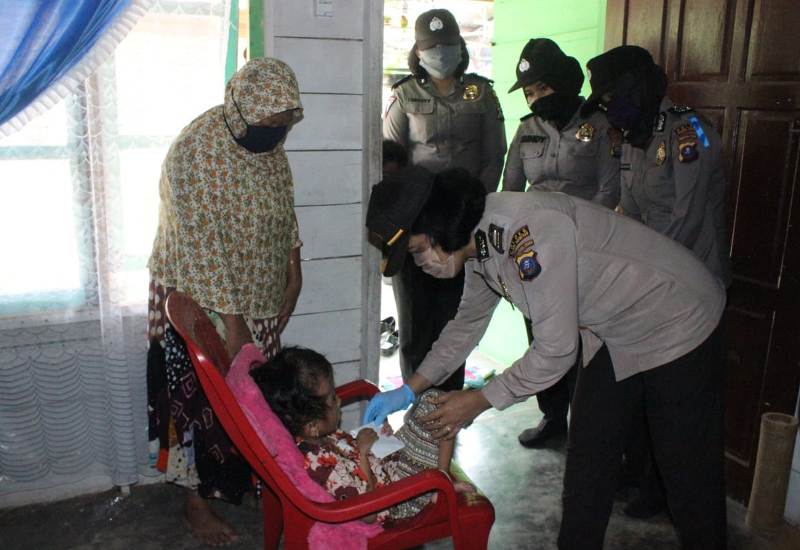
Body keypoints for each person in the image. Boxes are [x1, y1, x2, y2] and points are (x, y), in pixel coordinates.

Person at [363, 167, 727, 549]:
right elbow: (466, 324)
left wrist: (478, 401)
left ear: (441, 229)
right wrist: (410, 388)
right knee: (589, 458)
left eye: (419, 250)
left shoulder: (530, 232)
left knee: (687, 475)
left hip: (676, 317)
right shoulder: (476, 246)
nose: (420, 264)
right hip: (612, 331)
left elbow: (555, 350)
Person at [146, 58, 304, 546]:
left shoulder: (269, 146)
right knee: (205, 405)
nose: (274, 135)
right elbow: (201, 248)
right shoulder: (194, 152)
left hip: (255, 292)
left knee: (253, 399)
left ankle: (243, 478)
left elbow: (282, 206)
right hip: (198, 297)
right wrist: (233, 325)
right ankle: (197, 504)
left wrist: (293, 270)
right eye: (267, 125)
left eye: (283, 125)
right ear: (240, 110)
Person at [580, 45, 731, 519]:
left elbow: (686, 220)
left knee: (683, 408)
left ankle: (672, 490)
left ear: (636, 90)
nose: (607, 109)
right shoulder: (631, 138)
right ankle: (647, 479)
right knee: (643, 386)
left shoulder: (689, 133)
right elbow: (629, 211)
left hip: (692, 292)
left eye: (610, 97)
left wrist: (635, 274)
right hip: (650, 288)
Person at [502, 38, 621, 448]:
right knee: (541, 337)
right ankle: (553, 417)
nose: (536, 99)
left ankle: (587, 424)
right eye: (530, 93)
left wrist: (577, 236)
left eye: (542, 89)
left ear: (563, 84)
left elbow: (610, 191)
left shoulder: (601, 126)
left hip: (584, 249)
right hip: (534, 251)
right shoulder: (526, 130)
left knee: (584, 340)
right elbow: (511, 190)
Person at [383, 8, 507, 393]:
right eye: (432, 46)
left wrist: (470, 207)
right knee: (415, 325)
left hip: (461, 224)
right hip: (417, 224)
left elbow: (494, 155)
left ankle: (448, 408)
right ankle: (415, 407)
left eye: (447, 45)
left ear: (460, 47)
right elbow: (390, 162)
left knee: (454, 320)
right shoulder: (404, 95)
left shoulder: (481, 93)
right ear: (419, 52)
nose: (440, 52)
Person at [250, 346, 472, 524]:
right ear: (311, 426)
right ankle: (438, 489)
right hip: (398, 499)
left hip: (392, 465)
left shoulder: (318, 436)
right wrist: (364, 455)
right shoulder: (320, 468)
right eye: (331, 399)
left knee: (433, 401)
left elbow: (350, 455)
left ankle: (439, 478)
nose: (338, 401)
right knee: (441, 412)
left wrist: (377, 439)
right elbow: (367, 514)